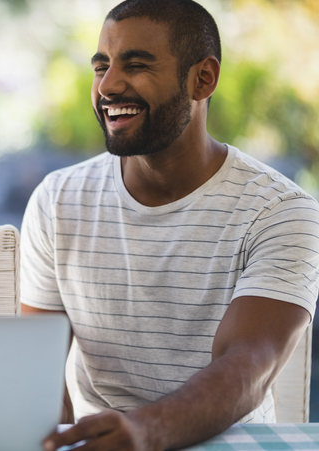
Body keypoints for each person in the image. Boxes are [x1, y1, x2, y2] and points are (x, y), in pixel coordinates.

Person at [20, 1, 319, 450]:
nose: (109, 85)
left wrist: (148, 430)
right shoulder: (57, 199)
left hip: (232, 442)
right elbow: (38, 370)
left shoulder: (280, 210)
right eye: (101, 67)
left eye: (136, 65)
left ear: (203, 79)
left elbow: (247, 365)